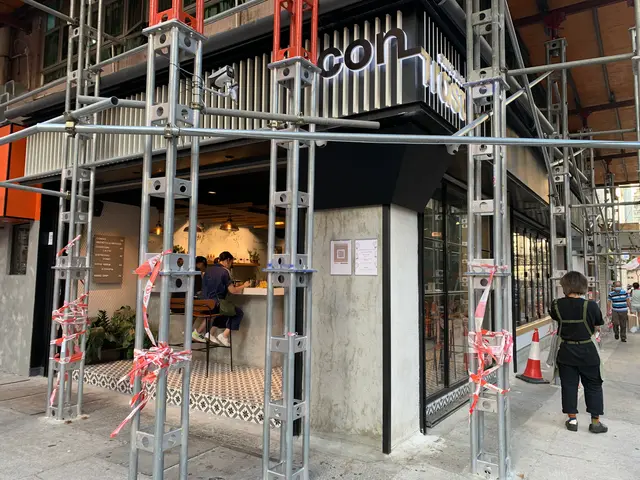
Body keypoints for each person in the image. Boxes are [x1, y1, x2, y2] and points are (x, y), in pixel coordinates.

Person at [550, 271, 607, 434]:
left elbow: (556, 319)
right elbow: (598, 323)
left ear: (565, 286)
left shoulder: (556, 305)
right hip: (588, 351)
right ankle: (595, 422)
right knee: (594, 385)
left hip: (566, 350)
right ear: (583, 286)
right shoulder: (591, 305)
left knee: (569, 385)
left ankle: (572, 420)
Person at [192, 251, 249, 346]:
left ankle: (205, 333)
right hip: (216, 303)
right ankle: (224, 335)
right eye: (231, 263)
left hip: (205, 303)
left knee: (222, 312)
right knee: (238, 313)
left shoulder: (207, 271)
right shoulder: (224, 272)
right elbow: (233, 290)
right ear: (228, 260)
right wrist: (244, 285)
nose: (231, 265)